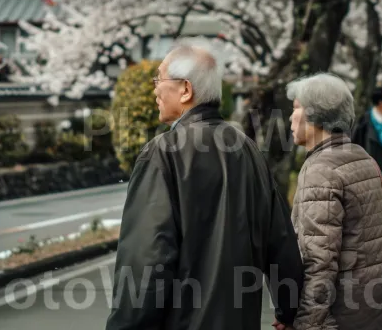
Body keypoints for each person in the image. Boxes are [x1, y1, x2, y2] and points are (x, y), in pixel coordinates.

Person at [105, 45, 304, 330]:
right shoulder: (248, 151)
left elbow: (147, 260)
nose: (154, 91)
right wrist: (287, 310)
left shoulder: (163, 152)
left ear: (185, 89)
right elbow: (281, 243)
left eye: (158, 80)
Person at [275, 73, 382, 330]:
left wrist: (306, 323)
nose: (290, 116)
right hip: (376, 306)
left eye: (296, 108)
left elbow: (318, 260)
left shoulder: (321, 169)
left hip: (344, 313)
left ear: (315, 115)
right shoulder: (361, 156)